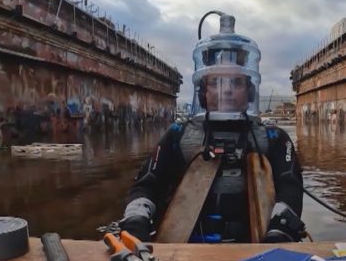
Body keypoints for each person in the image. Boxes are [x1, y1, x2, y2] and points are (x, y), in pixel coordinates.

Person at [117, 13, 306, 244]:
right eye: (216, 83)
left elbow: (291, 187)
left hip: (254, 249)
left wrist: (281, 230)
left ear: (250, 92)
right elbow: (146, 184)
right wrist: (136, 220)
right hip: (186, 252)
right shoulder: (179, 135)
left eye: (236, 83)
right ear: (202, 93)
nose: (226, 90)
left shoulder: (273, 138)